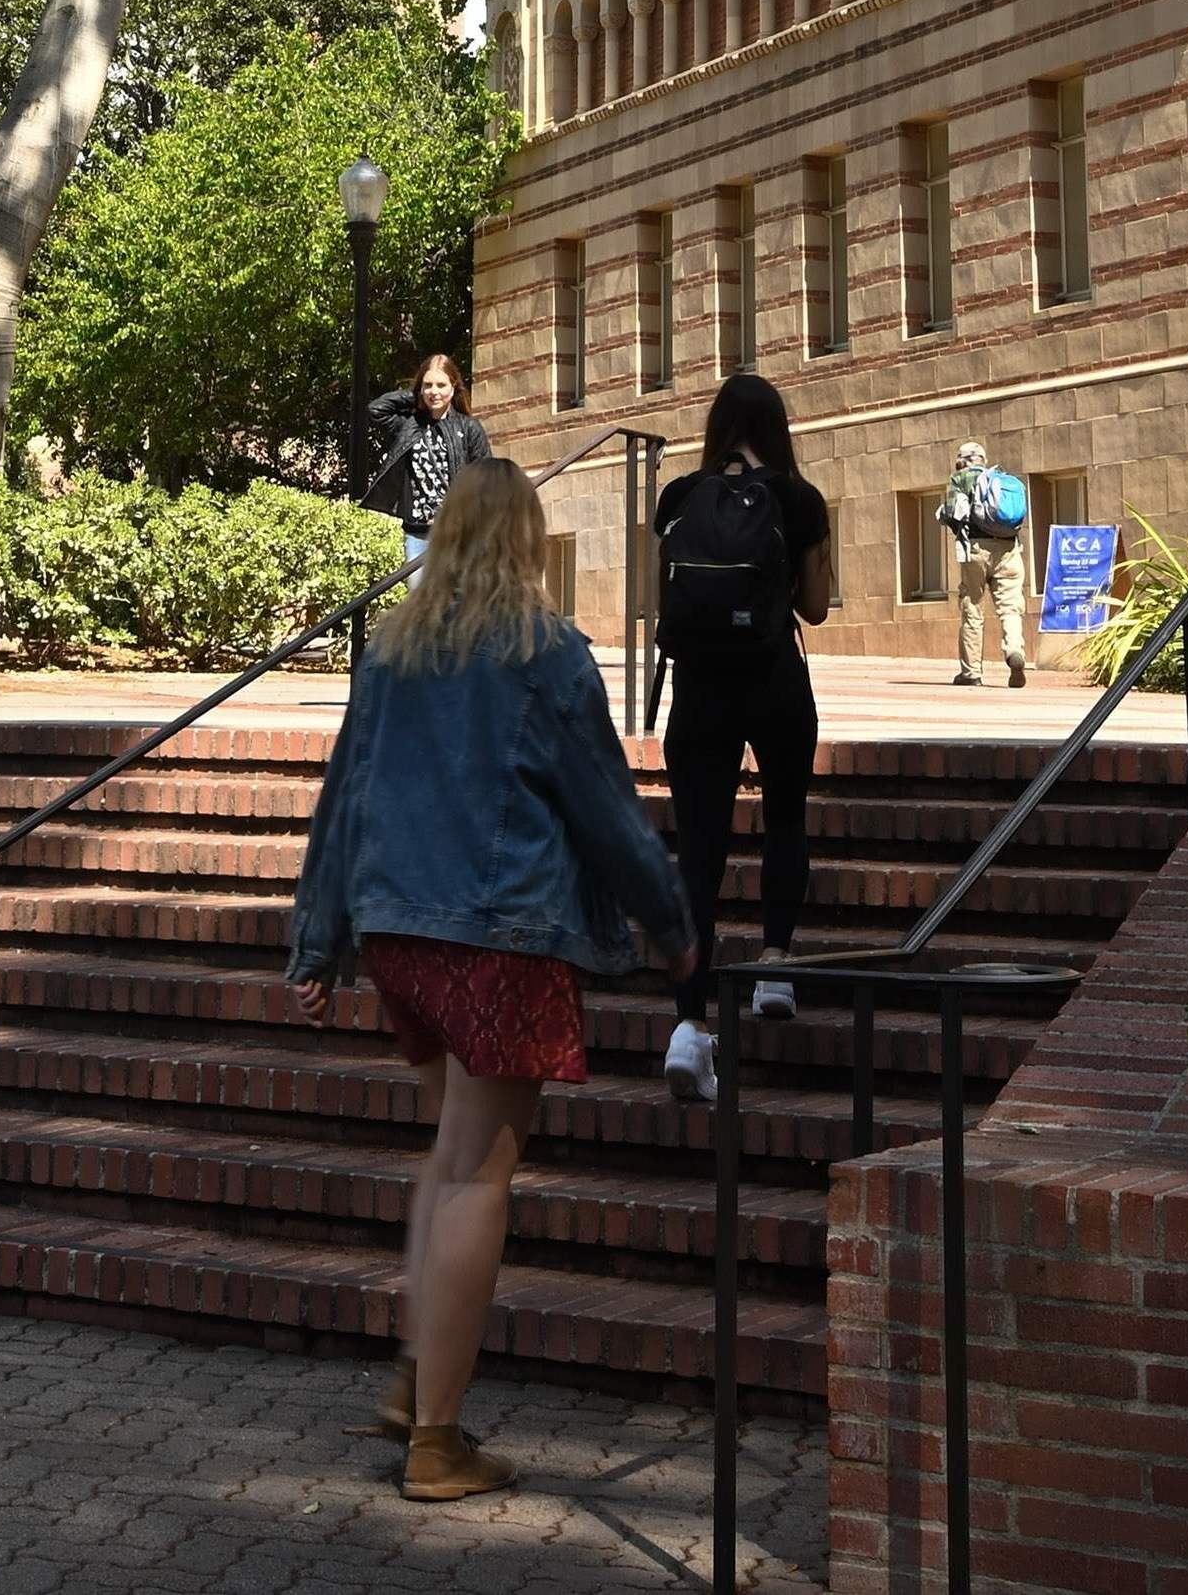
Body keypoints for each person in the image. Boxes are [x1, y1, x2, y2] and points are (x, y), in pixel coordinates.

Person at [286, 456, 687, 1504]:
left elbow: (344, 799)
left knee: (448, 1158)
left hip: (398, 938)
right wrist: (675, 928)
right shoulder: (544, 653)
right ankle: (437, 1440)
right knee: (474, 1176)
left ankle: (423, 1370)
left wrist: (318, 940)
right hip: (498, 934)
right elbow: (605, 808)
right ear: (525, 539)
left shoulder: (391, 653)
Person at [649, 373, 834, 1103]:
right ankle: (776, 966)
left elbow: (656, 599)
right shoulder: (800, 497)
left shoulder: (676, 497)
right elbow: (815, 608)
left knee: (698, 850)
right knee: (785, 816)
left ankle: (688, 1028)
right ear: (778, 427)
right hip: (774, 679)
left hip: (699, 689)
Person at [362, 348, 492, 560]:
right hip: (418, 534)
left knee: (457, 593)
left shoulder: (468, 428)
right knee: (422, 593)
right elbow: (376, 410)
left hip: (459, 534)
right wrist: (414, 396)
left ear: (453, 388)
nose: (434, 391)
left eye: (441, 385)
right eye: (428, 385)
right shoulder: (408, 425)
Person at [938, 440, 1033, 689]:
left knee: (973, 608)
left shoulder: (960, 479)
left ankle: (971, 672)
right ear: (983, 459)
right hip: (1009, 549)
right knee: (1011, 608)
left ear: (962, 460)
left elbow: (951, 512)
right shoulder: (1000, 478)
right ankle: (1014, 651)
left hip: (976, 550)